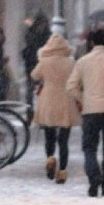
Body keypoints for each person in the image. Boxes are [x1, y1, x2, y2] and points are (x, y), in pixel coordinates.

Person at [66, 27, 104, 197]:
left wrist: (84, 99)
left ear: (92, 42)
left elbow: (71, 86)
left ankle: (94, 180)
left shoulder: (83, 61)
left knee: (89, 148)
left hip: (90, 111)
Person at [30, 32, 81, 184]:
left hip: (48, 101)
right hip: (66, 101)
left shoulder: (44, 62)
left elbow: (34, 75)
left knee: (49, 136)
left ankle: (50, 158)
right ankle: (62, 172)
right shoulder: (71, 62)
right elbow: (77, 79)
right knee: (64, 140)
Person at [21, 14, 51, 117]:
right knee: (30, 90)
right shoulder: (31, 33)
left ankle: (42, 112)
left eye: (44, 24)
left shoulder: (47, 34)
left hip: (43, 66)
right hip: (31, 65)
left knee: (43, 90)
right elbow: (30, 44)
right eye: (40, 24)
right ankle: (29, 111)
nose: (42, 26)